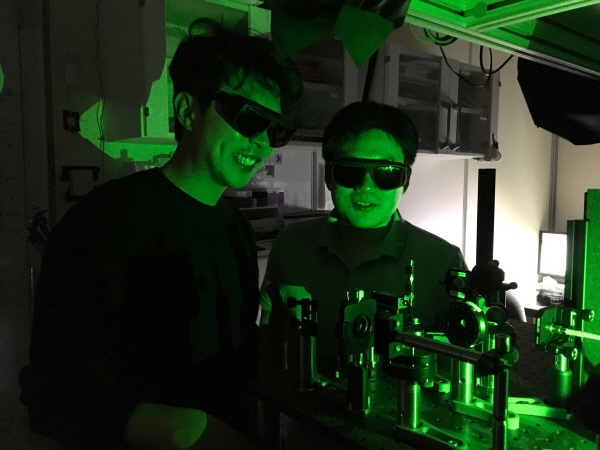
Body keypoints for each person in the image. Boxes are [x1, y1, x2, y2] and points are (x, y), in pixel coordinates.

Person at [19, 18, 302, 450]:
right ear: (188, 110)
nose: (262, 142)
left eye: (275, 129)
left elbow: (235, 362)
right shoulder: (105, 222)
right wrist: (184, 429)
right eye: (248, 118)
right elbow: (53, 393)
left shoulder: (235, 226)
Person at [259, 101, 466, 378]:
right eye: (350, 171)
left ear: (405, 180)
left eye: (386, 173)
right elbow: (269, 346)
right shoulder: (291, 246)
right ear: (329, 175)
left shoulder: (441, 261)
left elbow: (461, 364)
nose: (365, 187)